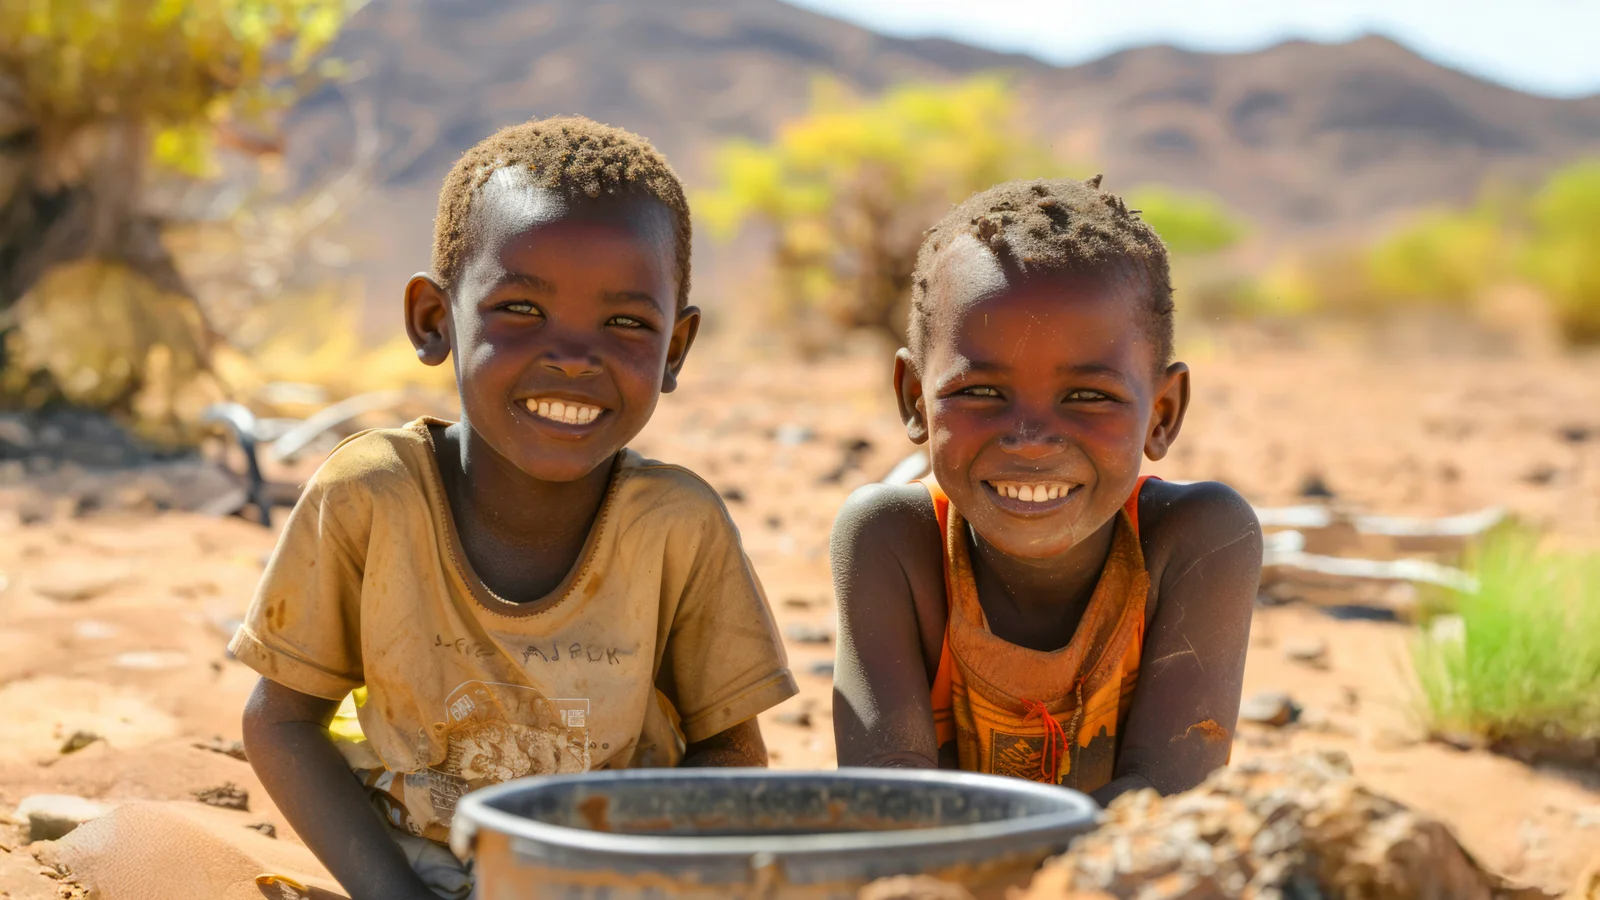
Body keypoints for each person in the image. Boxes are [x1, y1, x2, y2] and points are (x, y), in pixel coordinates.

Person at [232, 116, 797, 900]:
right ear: (435, 321)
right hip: (414, 863)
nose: (573, 355)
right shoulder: (372, 496)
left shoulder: (677, 526)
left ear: (675, 350)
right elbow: (282, 721)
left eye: (627, 323)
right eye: (522, 311)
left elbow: (732, 751)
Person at [830, 176, 1261, 806]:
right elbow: (889, 807)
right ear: (913, 398)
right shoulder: (895, 543)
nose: (1030, 440)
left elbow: (1168, 810)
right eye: (981, 391)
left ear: (1163, 413)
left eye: (1088, 396)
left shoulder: (1197, 539)